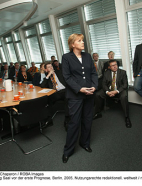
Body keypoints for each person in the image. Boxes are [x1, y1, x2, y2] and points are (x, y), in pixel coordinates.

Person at [61, 33, 98, 163]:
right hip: (75, 95)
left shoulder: (87, 56)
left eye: (82, 40)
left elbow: (93, 74)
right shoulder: (66, 57)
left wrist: (94, 86)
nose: (83, 42)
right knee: (74, 122)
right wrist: (79, 89)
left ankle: (85, 143)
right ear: (72, 44)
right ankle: (68, 150)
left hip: (89, 94)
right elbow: (67, 77)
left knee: (87, 120)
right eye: (79, 40)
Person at [94, 60, 131, 127]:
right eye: (112, 65)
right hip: (109, 90)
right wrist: (107, 92)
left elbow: (125, 85)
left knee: (124, 96)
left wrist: (116, 91)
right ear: (109, 67)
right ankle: (97, 112)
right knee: (97, 94)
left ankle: (127, 117)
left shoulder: (122, 72)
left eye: (116, 65)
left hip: (119, 90)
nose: (115, 67)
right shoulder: (106, 73)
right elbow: (104, 84)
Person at [40, 63, 69, 129]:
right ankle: (48, 120)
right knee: (46, 101)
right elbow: (42, 86)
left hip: (64, 90)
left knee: (67, 99)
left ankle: (67, 120)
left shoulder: (59, 72)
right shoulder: (47, 77)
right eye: (49, 67)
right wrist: (49, 75)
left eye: (51, 66)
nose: (51, 68)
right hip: (55, 93)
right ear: (46, 69)